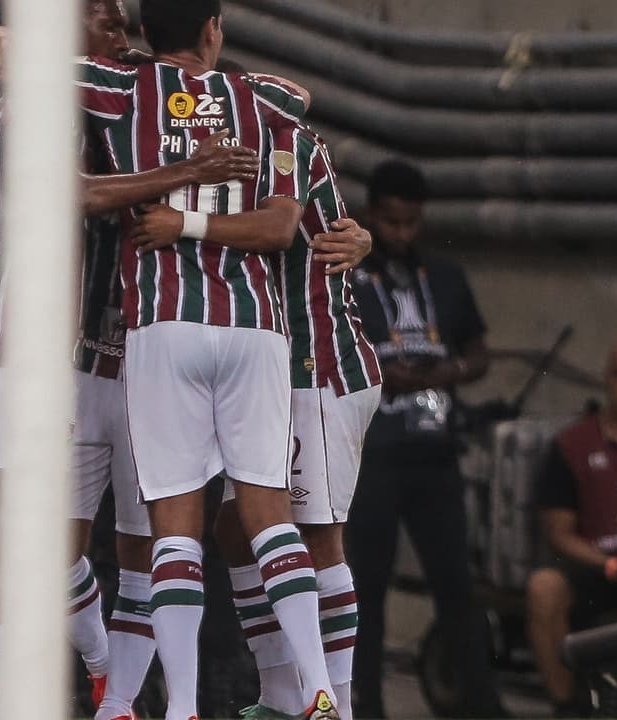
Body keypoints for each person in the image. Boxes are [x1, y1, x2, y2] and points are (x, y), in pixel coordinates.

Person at [0, 5, 264, 720]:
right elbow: (72, 194)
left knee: (131, 539)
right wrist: (188, 169)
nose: (122, 39)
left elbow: (272, 97)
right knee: (8, 525)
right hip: (23, 341)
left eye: (124, 26)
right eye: (106, 27)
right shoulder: (40, 102)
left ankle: (112, 696)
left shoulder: (135, 96)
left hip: (130, 350)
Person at [75, 1, 348, 718]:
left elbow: (34, 73)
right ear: (212, 31)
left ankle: (185, 706)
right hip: (256, 327)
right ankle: (318, 687)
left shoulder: (117, 90)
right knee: (269, 512)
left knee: (176, 528)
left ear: (143, 33)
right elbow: (290, 191)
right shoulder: (263, 102)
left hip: (163, 324)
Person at [131, 60, 381, 717]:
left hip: (319, 364)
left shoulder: (280, 139)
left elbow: (277, 230)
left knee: (317, 537)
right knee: (237, 527)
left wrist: (179, 223)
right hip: (278, 360)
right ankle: (279, 693)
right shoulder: (247, 140)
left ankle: (337, 706)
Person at [345, 159, 504, 718]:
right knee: (366, 586)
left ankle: (482, 703)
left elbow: (481, 352)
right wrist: (384, 374)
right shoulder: (346, 274)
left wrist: (447, 373)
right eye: (392, 223)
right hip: (374, 454)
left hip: (436, 451)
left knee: (455, 583)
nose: (403, 235)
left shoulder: (444, 274)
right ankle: (366, 704)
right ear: (370, 214)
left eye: (412, 223)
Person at [527, 337, 617, 717]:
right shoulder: (573, 444)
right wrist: (615, 568)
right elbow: (558, 532)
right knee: (544, 588)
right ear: (606, 379)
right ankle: (567, 708)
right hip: (597, 567)